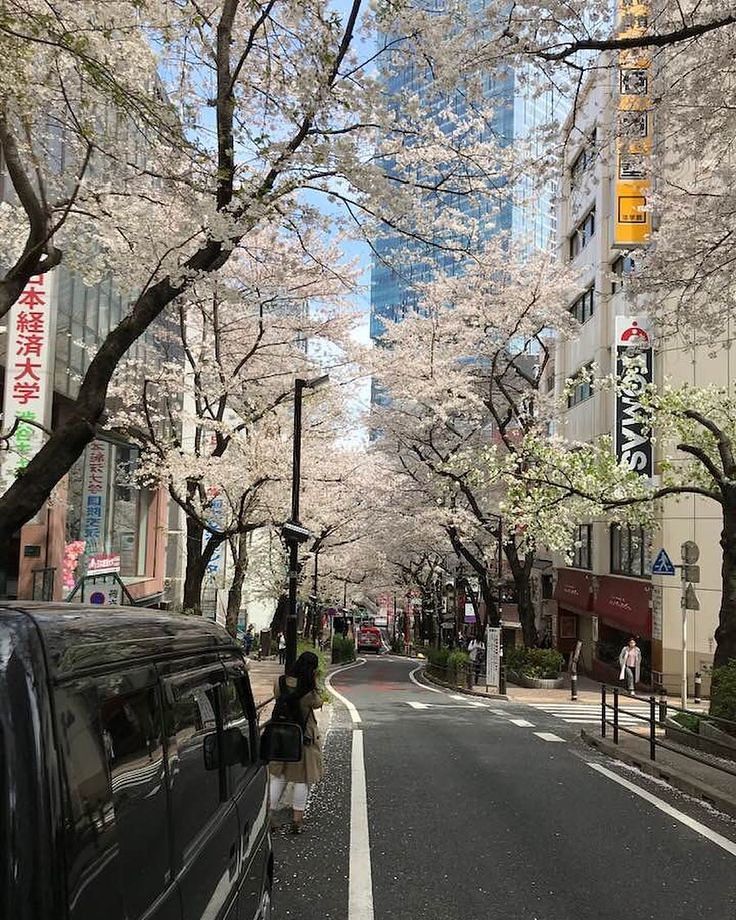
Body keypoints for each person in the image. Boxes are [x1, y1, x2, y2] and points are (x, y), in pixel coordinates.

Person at [269, 651, 323, 834]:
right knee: (302, 778)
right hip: (303, 735)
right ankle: (297, 820)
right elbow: (317, 703)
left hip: (281, 733)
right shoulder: (309, 690)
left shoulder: (280, 682)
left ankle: (269, 817)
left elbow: (276, 695)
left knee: (278, 775)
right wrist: (314, 681)